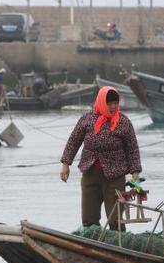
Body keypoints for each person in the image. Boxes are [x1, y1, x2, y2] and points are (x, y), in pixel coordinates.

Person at [60, 86, 142, 230]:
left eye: (115, 103)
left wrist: (135, 172)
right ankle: (91, 245)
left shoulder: (123, 122)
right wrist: (66, 164)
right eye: (109, 103)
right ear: (101, 102)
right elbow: (74, 141)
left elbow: (132, 148)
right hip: (90, 173)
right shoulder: (87, 119)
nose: (113, 106)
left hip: (115, 176)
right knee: (89, 218)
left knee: (115, 220)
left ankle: (118, 247)